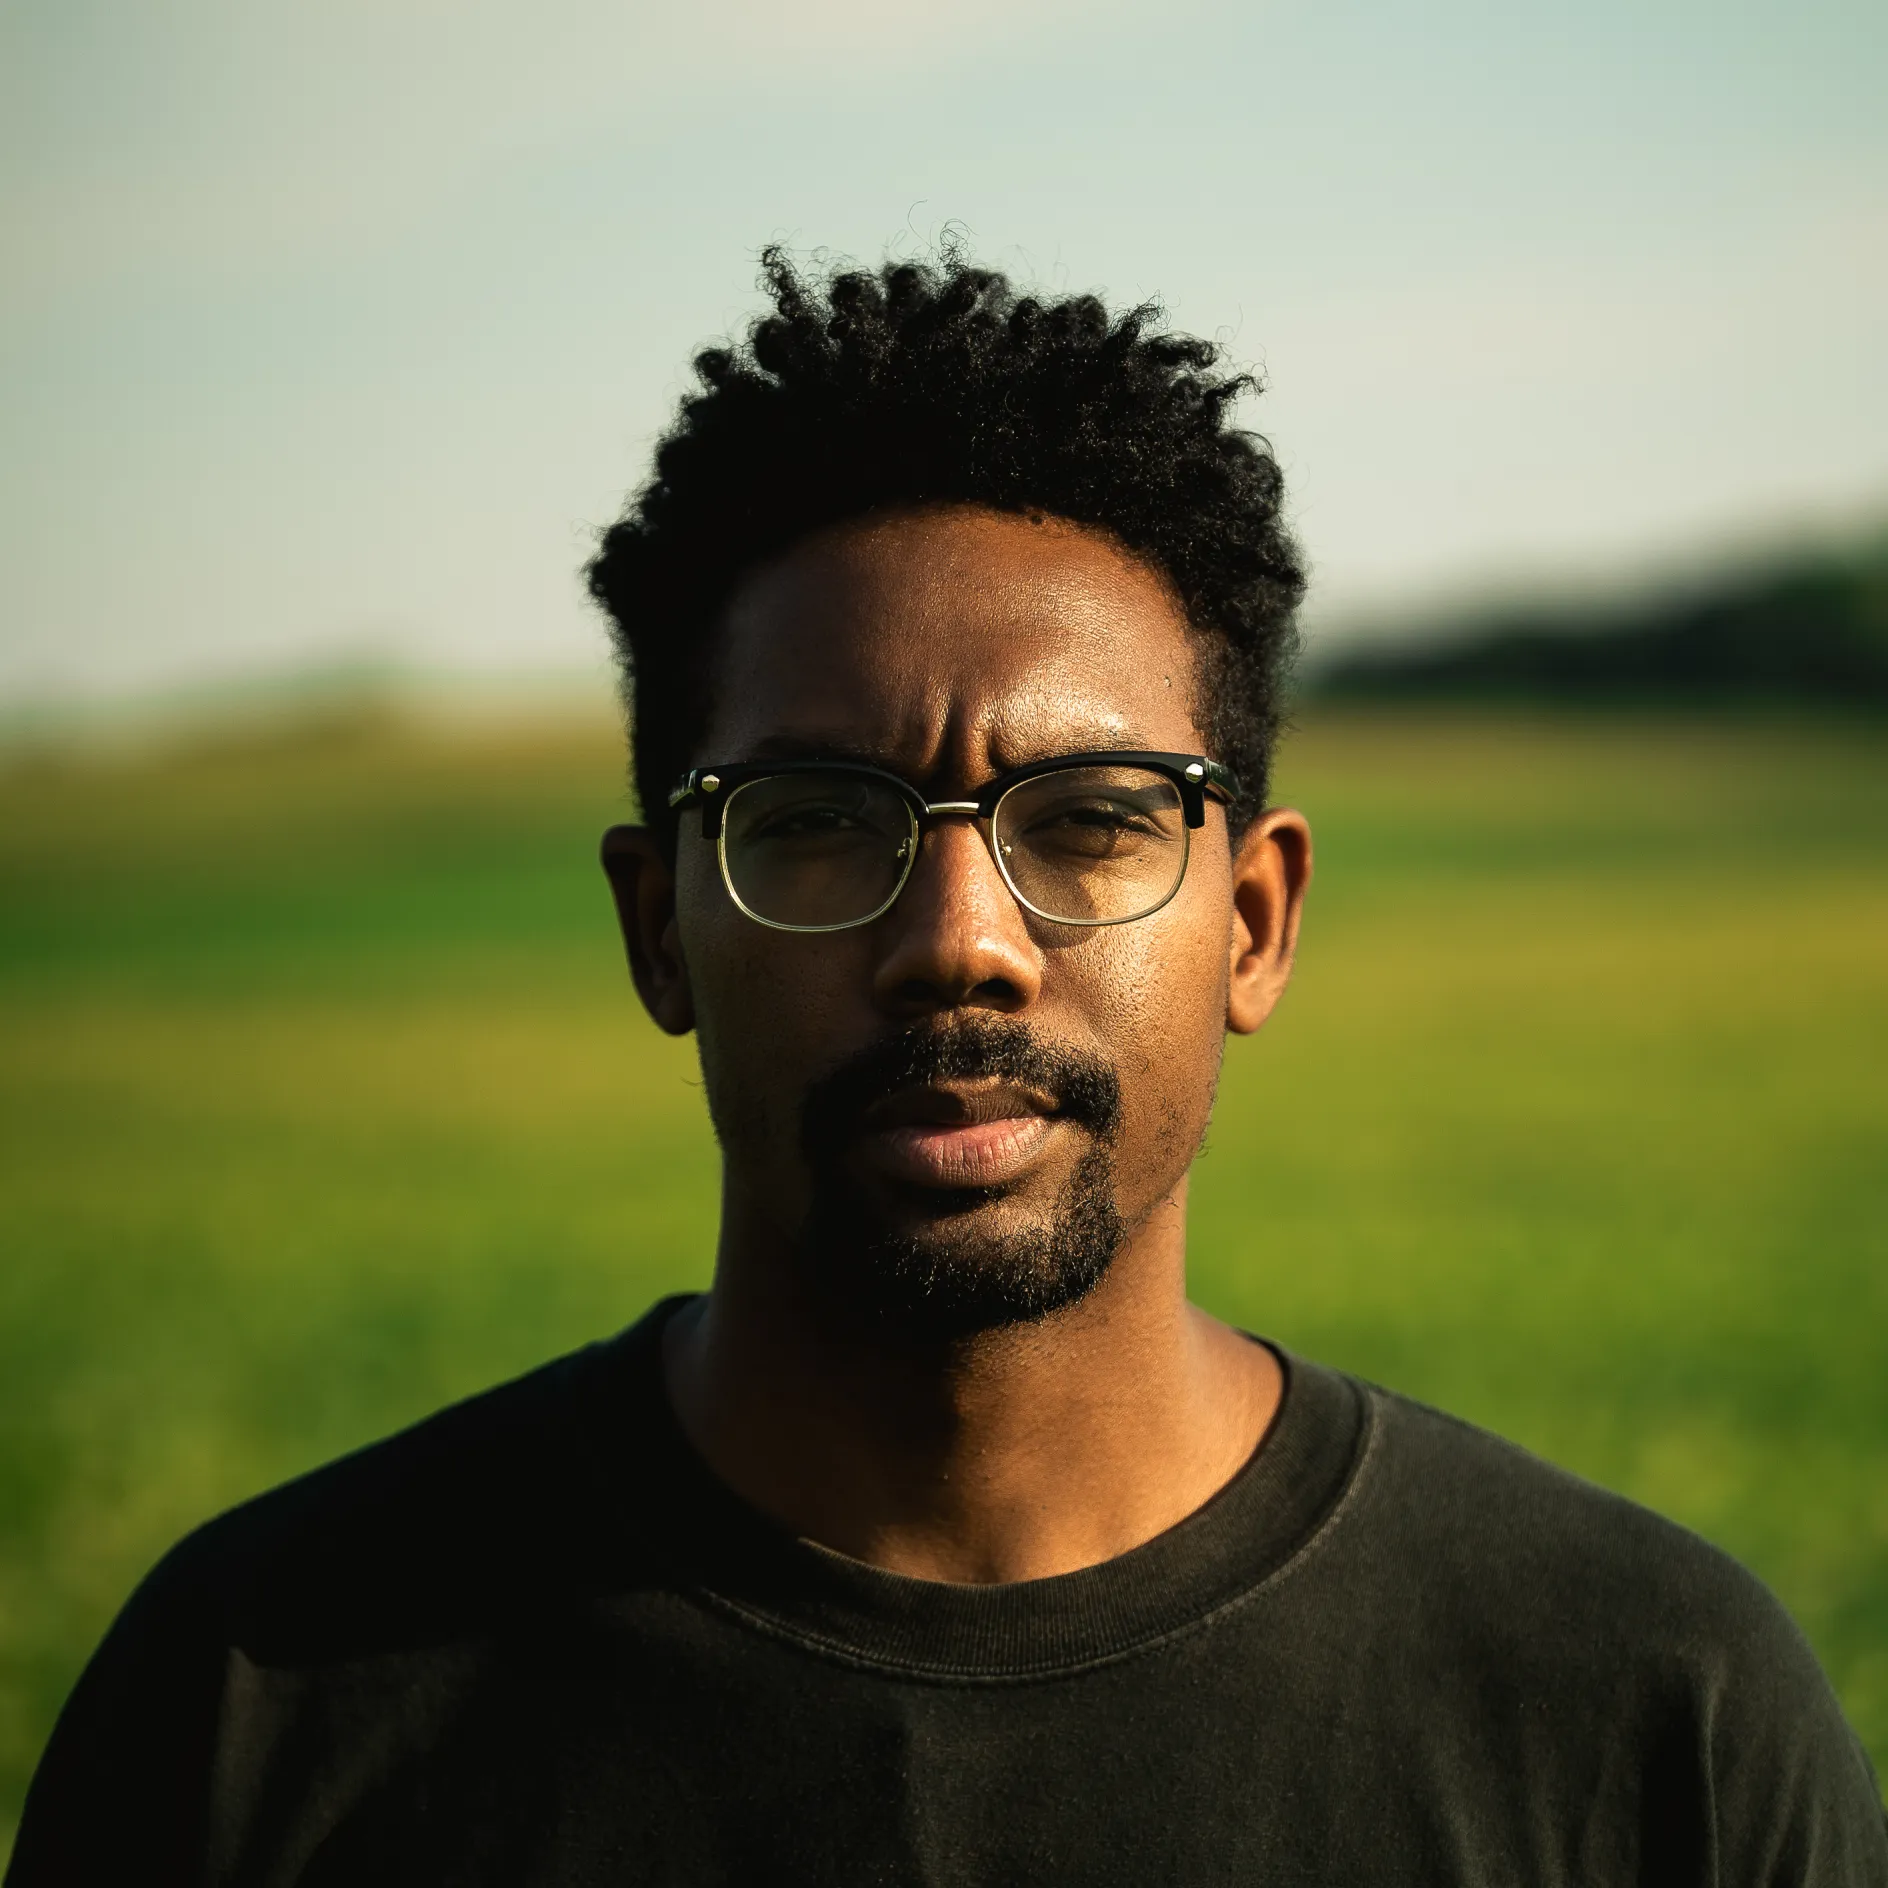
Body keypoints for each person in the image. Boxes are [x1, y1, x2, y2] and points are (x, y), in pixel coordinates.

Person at [9, 250, 1884, 1887]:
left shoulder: (1654, 1714)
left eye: (1089, 819)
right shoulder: (257, 1698)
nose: (959, 940)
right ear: (661, 928)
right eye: (819, 824)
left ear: (1254, 920)